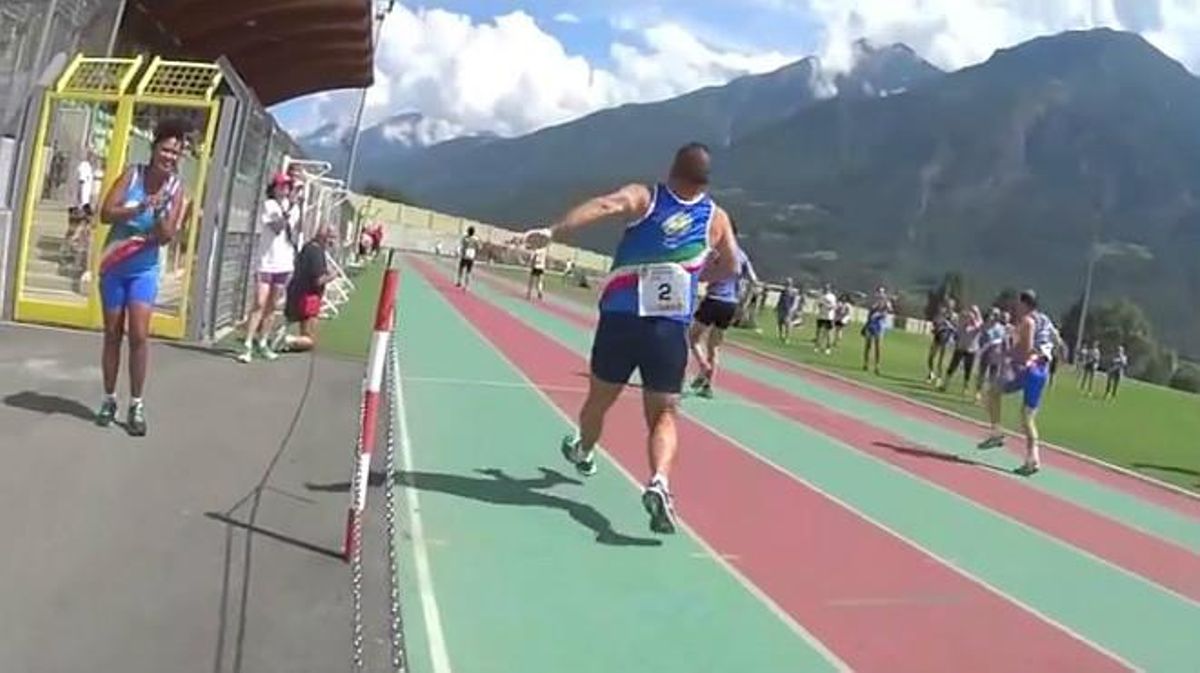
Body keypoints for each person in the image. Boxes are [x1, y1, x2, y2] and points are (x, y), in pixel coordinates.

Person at [522, 143, 738, 535]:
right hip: (668, 327)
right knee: (664, 415)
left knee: (599, 402)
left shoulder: (646, 196)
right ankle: (659, 481)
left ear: (671, 170)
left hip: (622, 320)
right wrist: (693, 278)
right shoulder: (716, 218)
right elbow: (732, 265)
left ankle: (583, 449)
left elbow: (605, 205)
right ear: (706, 180)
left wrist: (553, 231)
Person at [94, 118, 188, 436]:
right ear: (154, 149)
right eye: (165, 150)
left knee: (139, 336)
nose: (170, 157)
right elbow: (105, 212)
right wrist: (137, 209)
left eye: (176, 153)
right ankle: (109, 400)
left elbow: (165, 237)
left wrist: (160, 213)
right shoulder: (132, 174)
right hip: (114, 266)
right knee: (111, 334)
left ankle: (136, 404)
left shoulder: (177, 190)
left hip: (144, 270)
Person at [978, 290, 1058, 476]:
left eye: (1018, 303)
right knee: (1027, 416)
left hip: (1030, 369)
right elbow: (1055, 342)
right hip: (1041, 370)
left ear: (1024, 304)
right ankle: (1033, 459)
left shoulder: (1028, 321)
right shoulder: (1044, 320)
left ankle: (997, 432)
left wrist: (1006, 355)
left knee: (993, 391)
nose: (1016, 306)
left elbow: (1026, 351)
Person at [688, 221, 758, 399]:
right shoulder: (742, 255)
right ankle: (708, 385)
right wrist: (744, 303)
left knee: (693, 337)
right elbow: (754, 281)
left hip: (714, 299)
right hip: (730, 303)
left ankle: (703, 366)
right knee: (715, 346)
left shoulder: (717, 252)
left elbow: (703, 275)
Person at [237, 173, 298, 364]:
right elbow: (277, 227)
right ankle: (248, 344)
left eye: (288, 185)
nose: (285, 189)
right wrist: (287, 212)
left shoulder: (294, 208)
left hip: (284, 262)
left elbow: (291, 229)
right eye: (281, 185)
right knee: (259, 303)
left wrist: (294, 207)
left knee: (272, 305)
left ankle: (263, 342)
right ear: (274, 187)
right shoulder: (269, 205)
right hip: (266, 261)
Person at [274, 225, 338, 353]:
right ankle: (286, 339)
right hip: (306, 299)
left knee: (307, 334)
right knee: (310, 341)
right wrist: (332, 276)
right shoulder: (316, 252)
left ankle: (286, 339)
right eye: (332, 238)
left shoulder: (308, 247)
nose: (334, 242)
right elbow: (318, 280)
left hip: (298, 295)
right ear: (324, 237)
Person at [942, 306, 983, 394]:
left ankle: (965, 387)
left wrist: (976, 315)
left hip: (971, 350)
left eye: (971, 317)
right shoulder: (962, 324)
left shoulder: (977, 326)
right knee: (952, 366)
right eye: (968, 317)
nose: (969, 319)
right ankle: (945, 384)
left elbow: (980, 326)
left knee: (968, 369)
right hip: (960, 348)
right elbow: (958, 325)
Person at [974, 307, 1008, 402]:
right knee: (982, 374)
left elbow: (1004, 342)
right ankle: (978, 393)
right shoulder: (986, 326)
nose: (995, 317)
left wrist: (1004, 355)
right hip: (986, 354)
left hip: (996, 356)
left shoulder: (1002, 328)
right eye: (993, 314)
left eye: (997, 315)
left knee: (993, 377)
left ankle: (988, 395)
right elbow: (980, 338)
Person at [862, 286, 892, 375]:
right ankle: (866, 363)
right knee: (868, 345)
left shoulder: (886, 302)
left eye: (882, 292)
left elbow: (889, 311)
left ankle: (877, 365)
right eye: (879, 292)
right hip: (871, 324)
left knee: (878, 346)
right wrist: (866, 325)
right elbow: (869, 313)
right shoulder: (873, 302)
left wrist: (884, 311)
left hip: (880, 325)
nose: (880, 294)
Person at [927, 302, 958, 386]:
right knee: (931, 357)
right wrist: (935, 328)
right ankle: (931, 373)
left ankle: (939, 377)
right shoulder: (941, 314)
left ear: (953, 307)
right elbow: (935, 323)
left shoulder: (954, 316)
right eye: (947, 305)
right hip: (937, 337)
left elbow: (955, 328)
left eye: (950, 306)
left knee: (941, 360)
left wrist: (948, 325)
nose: (948, 307)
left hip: (946, 339)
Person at [813, 284, 838, 354]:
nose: (825, 289)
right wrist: (820, 305)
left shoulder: (832, 297)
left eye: (827, 288)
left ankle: (828, 348)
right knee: (818, 332)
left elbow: (834, 306)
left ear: (829, 289)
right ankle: (817, 346)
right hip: (821, 316)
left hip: (829, 317)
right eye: (825, 288)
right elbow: (818, 305)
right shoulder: (821, 296)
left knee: (828, 333)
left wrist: (827, 306)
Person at [775, 279, 800, 343]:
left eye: (788, 283)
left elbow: (794, 301)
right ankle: (781, 335)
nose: (787, 284)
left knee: (787, 324)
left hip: (788, 310)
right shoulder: (783, 291)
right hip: (781, 309)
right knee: (780, 322)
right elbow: (780, 299)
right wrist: (777, 306)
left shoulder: (792, 292)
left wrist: (792, 309)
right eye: (786, 283)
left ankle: (787, 337)